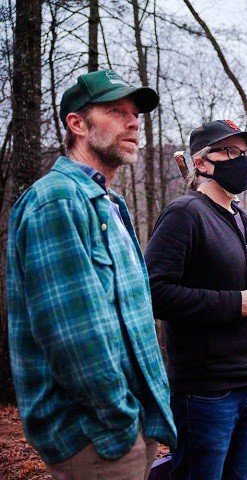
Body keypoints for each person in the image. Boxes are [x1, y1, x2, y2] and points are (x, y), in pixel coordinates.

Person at [6, 69, 176, 479]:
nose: (134, 122)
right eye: (117, 112)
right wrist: (120, 423)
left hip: (129, 424)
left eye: (135, 114)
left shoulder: (110, 202)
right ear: (77, 124)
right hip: (97, 437)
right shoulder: (57, 199)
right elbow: (73, 335)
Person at [145, 120, 247, 480]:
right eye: (230, 152)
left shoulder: (245, 221)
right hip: (205, 392)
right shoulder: (184, 214)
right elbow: (154, 293)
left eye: (246, 153)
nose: (242, 161)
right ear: (202, 162)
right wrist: (231, 303)